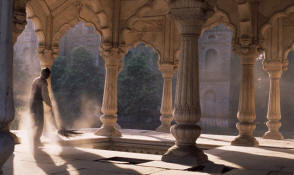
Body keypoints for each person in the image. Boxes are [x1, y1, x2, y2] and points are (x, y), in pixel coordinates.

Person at [29, 68, 52, 146]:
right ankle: (36, 140)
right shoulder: (43, 82)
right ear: (45, 74)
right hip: (37, 103)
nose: (48, 76)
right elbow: (45, 94)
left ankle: (33, 139)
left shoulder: (35, 80)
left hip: (31, 103)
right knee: (40, 122)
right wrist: (49, 104)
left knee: (34, 121)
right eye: (48, 74)